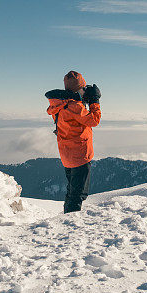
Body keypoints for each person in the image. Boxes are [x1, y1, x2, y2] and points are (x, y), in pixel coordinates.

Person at [45, 70, 101, 213]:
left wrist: (81, 99)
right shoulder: (74, 106)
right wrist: (95, 101)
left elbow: (74, 122)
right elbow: (94, 120)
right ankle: (71, 224)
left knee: (72, 192)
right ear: (79, 88)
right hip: (80, 155)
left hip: (67, 155)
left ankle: (66, 219)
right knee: (78, 194)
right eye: (83, 88)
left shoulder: (59, 105)